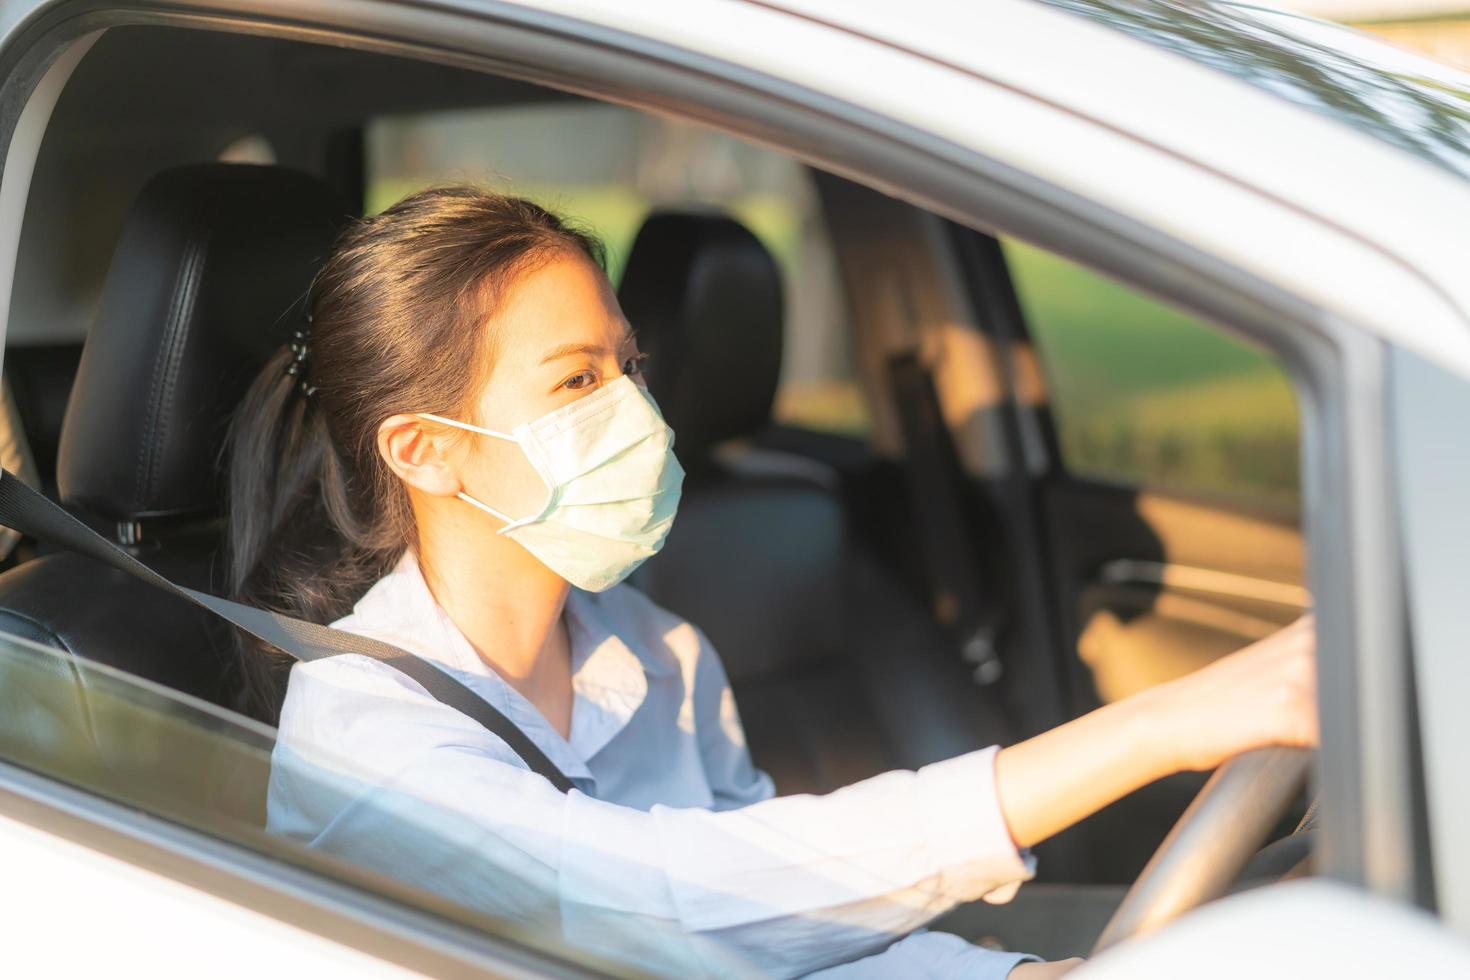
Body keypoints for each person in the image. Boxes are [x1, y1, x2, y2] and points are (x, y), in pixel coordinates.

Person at [227, 186, 1317, 979]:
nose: (637, 414)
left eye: (628, 365)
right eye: (577, 380)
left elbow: (788, 949)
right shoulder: (363, 735)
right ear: (424, 449)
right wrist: (1165, 722)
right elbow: (686, 901)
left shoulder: (656, 650)